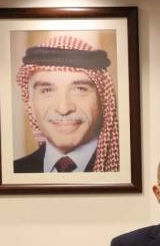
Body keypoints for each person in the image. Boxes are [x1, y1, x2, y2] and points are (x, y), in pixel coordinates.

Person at [13, 35, 120, 173]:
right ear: (30, 105)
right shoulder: (16, 171)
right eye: (47, 90)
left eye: (80, 89)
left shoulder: (124, 169)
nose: (63, 109)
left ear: (103, 101)